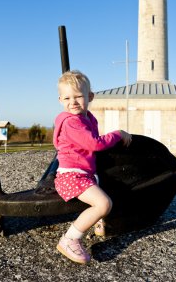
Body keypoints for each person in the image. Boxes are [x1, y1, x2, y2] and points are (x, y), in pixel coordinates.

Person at [53, 70, 132, 264]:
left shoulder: (87, 117)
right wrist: (118, 134)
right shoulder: (72, 122)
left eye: (78, 96)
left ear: (90, 97)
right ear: (60, 100)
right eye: (67, 98)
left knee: (104, 184)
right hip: (72, 176)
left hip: (83, 173)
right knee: (104, 203)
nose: (73, 101)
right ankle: (70, 238)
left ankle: (97, 220)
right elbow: (94, 144)